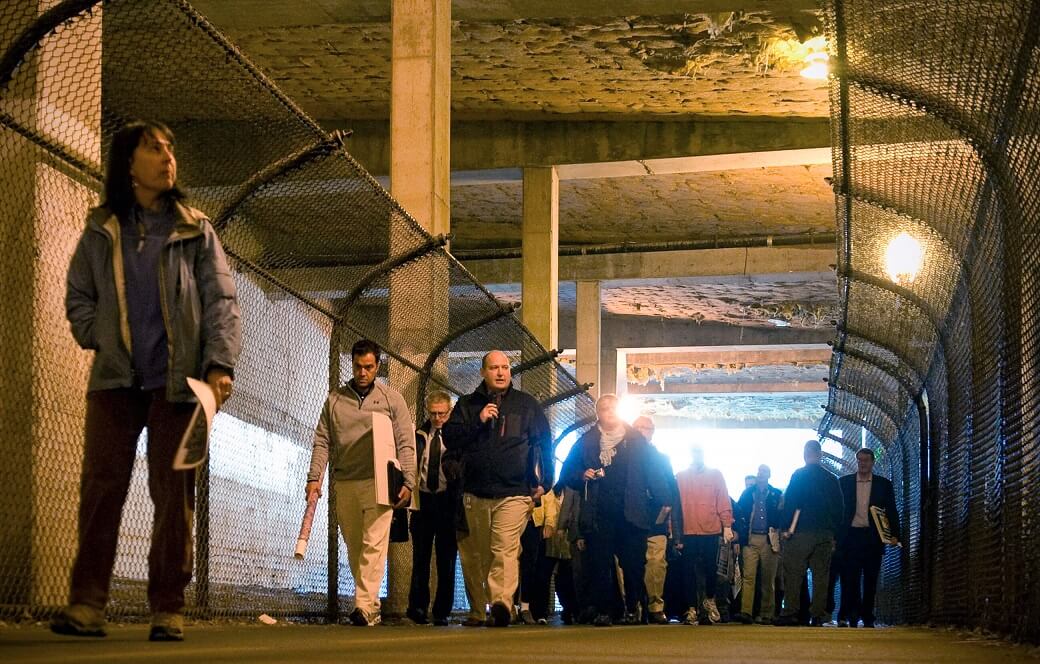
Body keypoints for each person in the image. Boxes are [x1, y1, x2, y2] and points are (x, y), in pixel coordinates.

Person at [53, 120, 241, 642]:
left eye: (169, 148)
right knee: (101, 488)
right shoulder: (102, 229)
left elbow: (221, 302)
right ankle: (88, 604)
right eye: (153, 149)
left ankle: (167, 606)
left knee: (173, 493)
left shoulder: (195, 228)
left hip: (179, 385)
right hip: (114, 380)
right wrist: (101, 337)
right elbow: (79, 296)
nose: (167, 157)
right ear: (128, 164)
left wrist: (219, 365)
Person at [306, 339, 415, 627]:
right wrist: (314, 477)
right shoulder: (335, 401)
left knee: (373, 544)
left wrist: (408, 480)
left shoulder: (392, 400)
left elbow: (406, 442)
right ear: (352, 365)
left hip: (380, 481)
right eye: (358, 367)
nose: (363, 372)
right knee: (355, 546)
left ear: (378, 366)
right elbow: (322, 441)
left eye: (368, 367)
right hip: (345, 481)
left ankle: (363, 606)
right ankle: (371, 605)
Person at [443, 350, 553, 627]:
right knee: (479, 554)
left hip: (514, 492)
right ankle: (479, 609)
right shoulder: (467, 405)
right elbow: (451, 437)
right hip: (476, 491)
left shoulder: (526, 405)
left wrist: (546, 481)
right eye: (494, 368)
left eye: (505, 367)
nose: (501, 372)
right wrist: (478, 421)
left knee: (504, 548)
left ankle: (502, 603)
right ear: (483, 372)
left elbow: (544, 444)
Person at [561, 395, 669, 626]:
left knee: (633, 564)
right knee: (600, 564)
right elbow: (568, 473)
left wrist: (662, 503)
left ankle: (634, 608)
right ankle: (605, 611)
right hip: (600, 514)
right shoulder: (587, 441)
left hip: (632, 513)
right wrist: (582, 475)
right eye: (603, 408)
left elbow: (655, 474)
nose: (609, 412)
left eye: (613, 408)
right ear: (597, 412)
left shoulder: (636, 441)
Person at [775, 440, 843, 627]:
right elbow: (840, 508)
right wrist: (834, 533)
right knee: (821, 576)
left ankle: (791, 612)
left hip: (800, 533)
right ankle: (818, 615)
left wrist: (784, 528)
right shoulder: (831, 479)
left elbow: (791, 502)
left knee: (794, 574)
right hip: (824, 533)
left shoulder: (799, 475)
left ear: (805, 454)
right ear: (820, 454)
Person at [406, 391, 458, 627]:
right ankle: (417, 607)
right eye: (434, 413)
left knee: (446, 559)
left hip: (447, 501)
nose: (438, 418)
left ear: (450, 412)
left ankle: (442, 610)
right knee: (420, 558)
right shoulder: (419, 435)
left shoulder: (456, 436)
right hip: (424, 500)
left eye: (442, 414)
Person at [836, 448, 901, 628]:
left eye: (866, 460)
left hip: (873, 537)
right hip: (851, 537)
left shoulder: (883, 485)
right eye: (860, 460)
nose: (862, 464)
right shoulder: (845, 483)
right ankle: (852, 615)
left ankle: (868, 616)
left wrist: (895, 534)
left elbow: (891, 510)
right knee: (851, 579)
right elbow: (838, 511)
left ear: (872, 462)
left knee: (871, 579)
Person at [674, 447, 734, 625]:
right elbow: (675, 506)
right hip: (688, 531)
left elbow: (723, 499)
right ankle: (691, 608)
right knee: (688, 572)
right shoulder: (681, 477)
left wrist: (727, 525)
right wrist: (675, 533)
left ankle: (709, 600)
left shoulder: (716, 475)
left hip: (710, 530)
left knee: (711, 569)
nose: (696, 456)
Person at [633, 415, 680, 625]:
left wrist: (668, 513)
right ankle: (632, 606)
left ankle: (655, 606)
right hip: (630, 520)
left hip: (656, 521)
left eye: (647, 428)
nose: (643, 431)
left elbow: (672, 490)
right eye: (639, 427)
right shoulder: (623, 457)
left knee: (656, 564)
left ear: (652, 432)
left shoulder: (662, 459)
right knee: (629, 564)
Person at [733, 464, 783, 624]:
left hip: (770, 540)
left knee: (768, 579)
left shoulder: (776, 494)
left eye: (764, 472)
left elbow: (783, 516)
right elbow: (739, 512)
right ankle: (746, 611)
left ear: (769, 474)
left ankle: (766, 613)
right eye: (759, 472)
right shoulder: (748, 494)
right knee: (748, 577)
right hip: (750, 539)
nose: (761, 474)